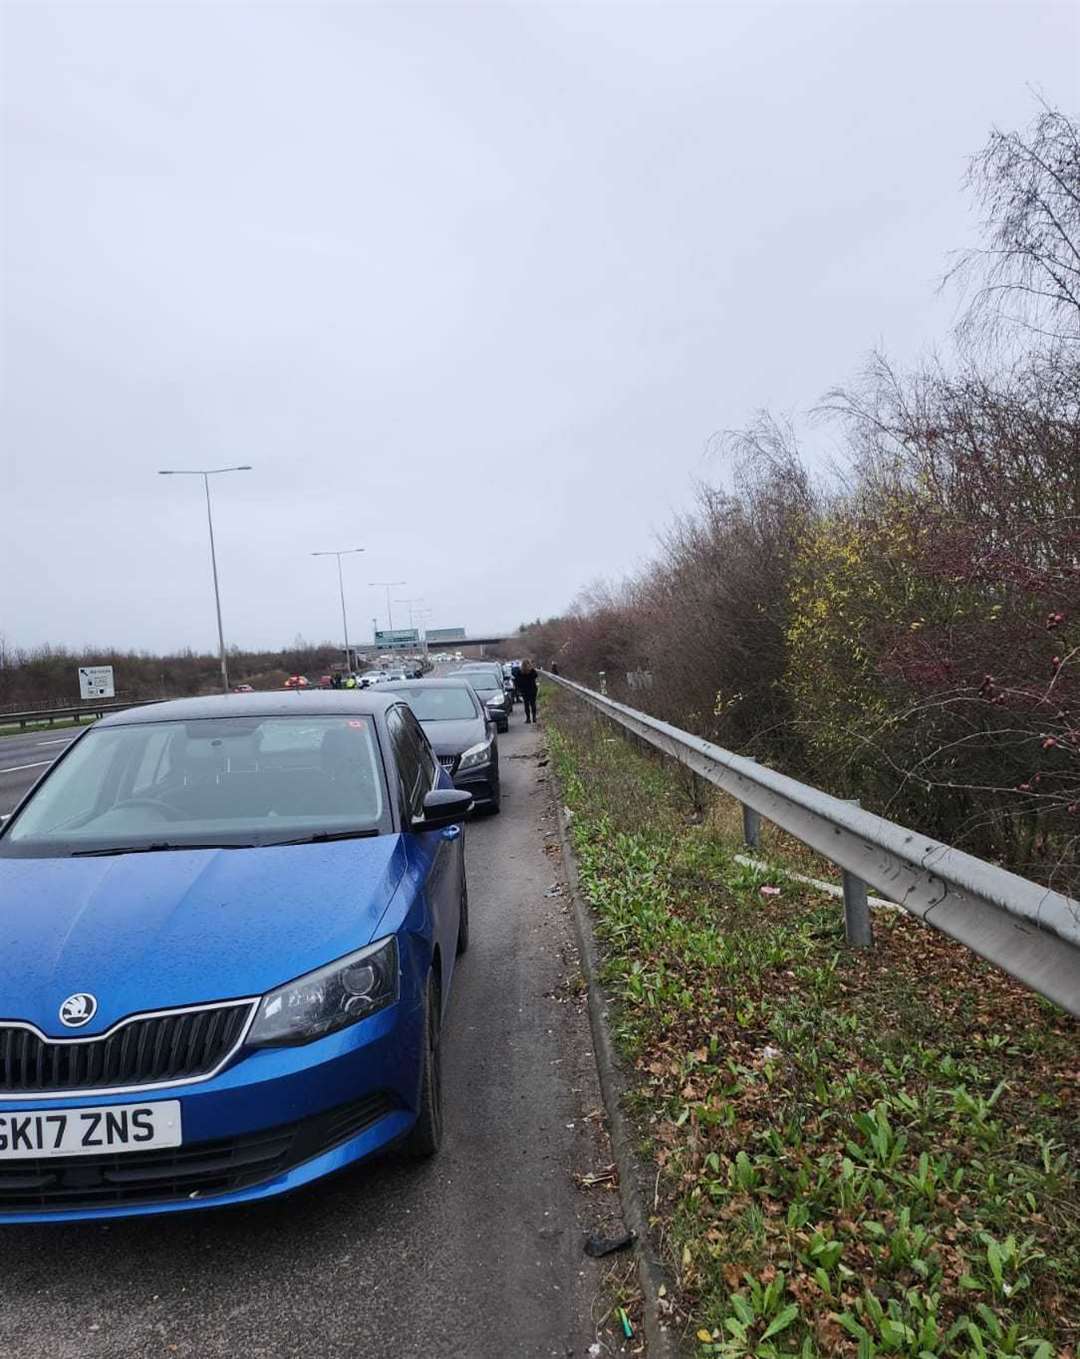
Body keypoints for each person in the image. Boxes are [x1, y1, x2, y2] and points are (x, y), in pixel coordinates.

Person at [517, 659, 539, 724]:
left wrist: (519, 689)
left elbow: (518, 681)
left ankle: (528, 719)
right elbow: (536, 676)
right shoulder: (532, 671)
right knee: (533, 704)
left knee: (526, 704)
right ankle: (534, 718)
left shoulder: (520, 672)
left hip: (524, 690)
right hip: (532, 689)